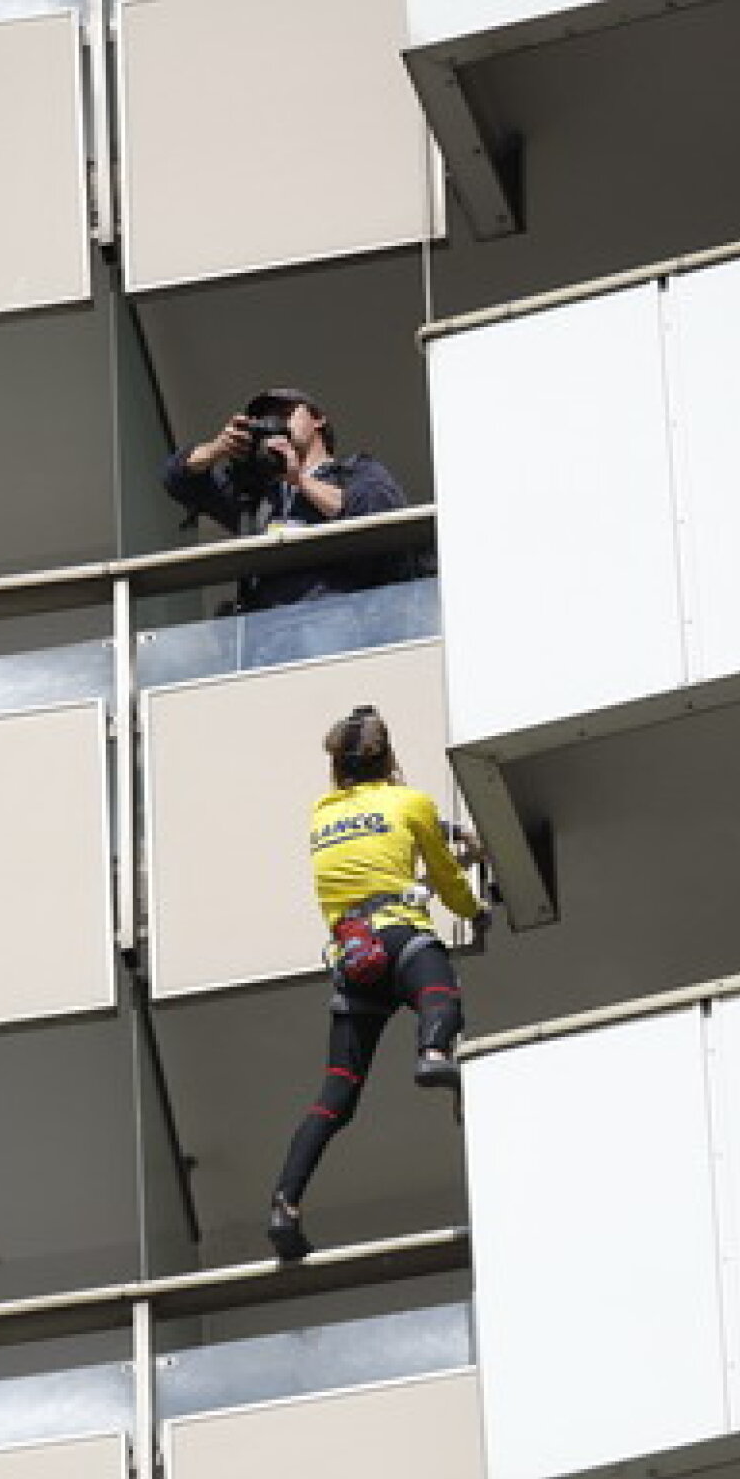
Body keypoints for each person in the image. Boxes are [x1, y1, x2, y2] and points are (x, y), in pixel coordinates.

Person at [268, 706, 489, 1263]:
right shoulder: (410, 802)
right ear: (389, 759)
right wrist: (477, 911)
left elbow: (381, 818)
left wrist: (440, 827)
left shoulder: (321, 813)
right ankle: (434, 1048)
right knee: (441, 993)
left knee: (335, 1096)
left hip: (355, 961)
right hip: (400, 941)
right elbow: (445, 876)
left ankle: (284, 1203)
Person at [161, 386, 409, 609]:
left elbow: (377, 513)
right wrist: (218, 448)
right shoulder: (256, 496)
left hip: (338, 621)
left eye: (285, 413)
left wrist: (299, 480)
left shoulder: (356, 471)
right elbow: (178, 480)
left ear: (318, 419)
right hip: (268, 635)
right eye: (266, 418)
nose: (276, 421)